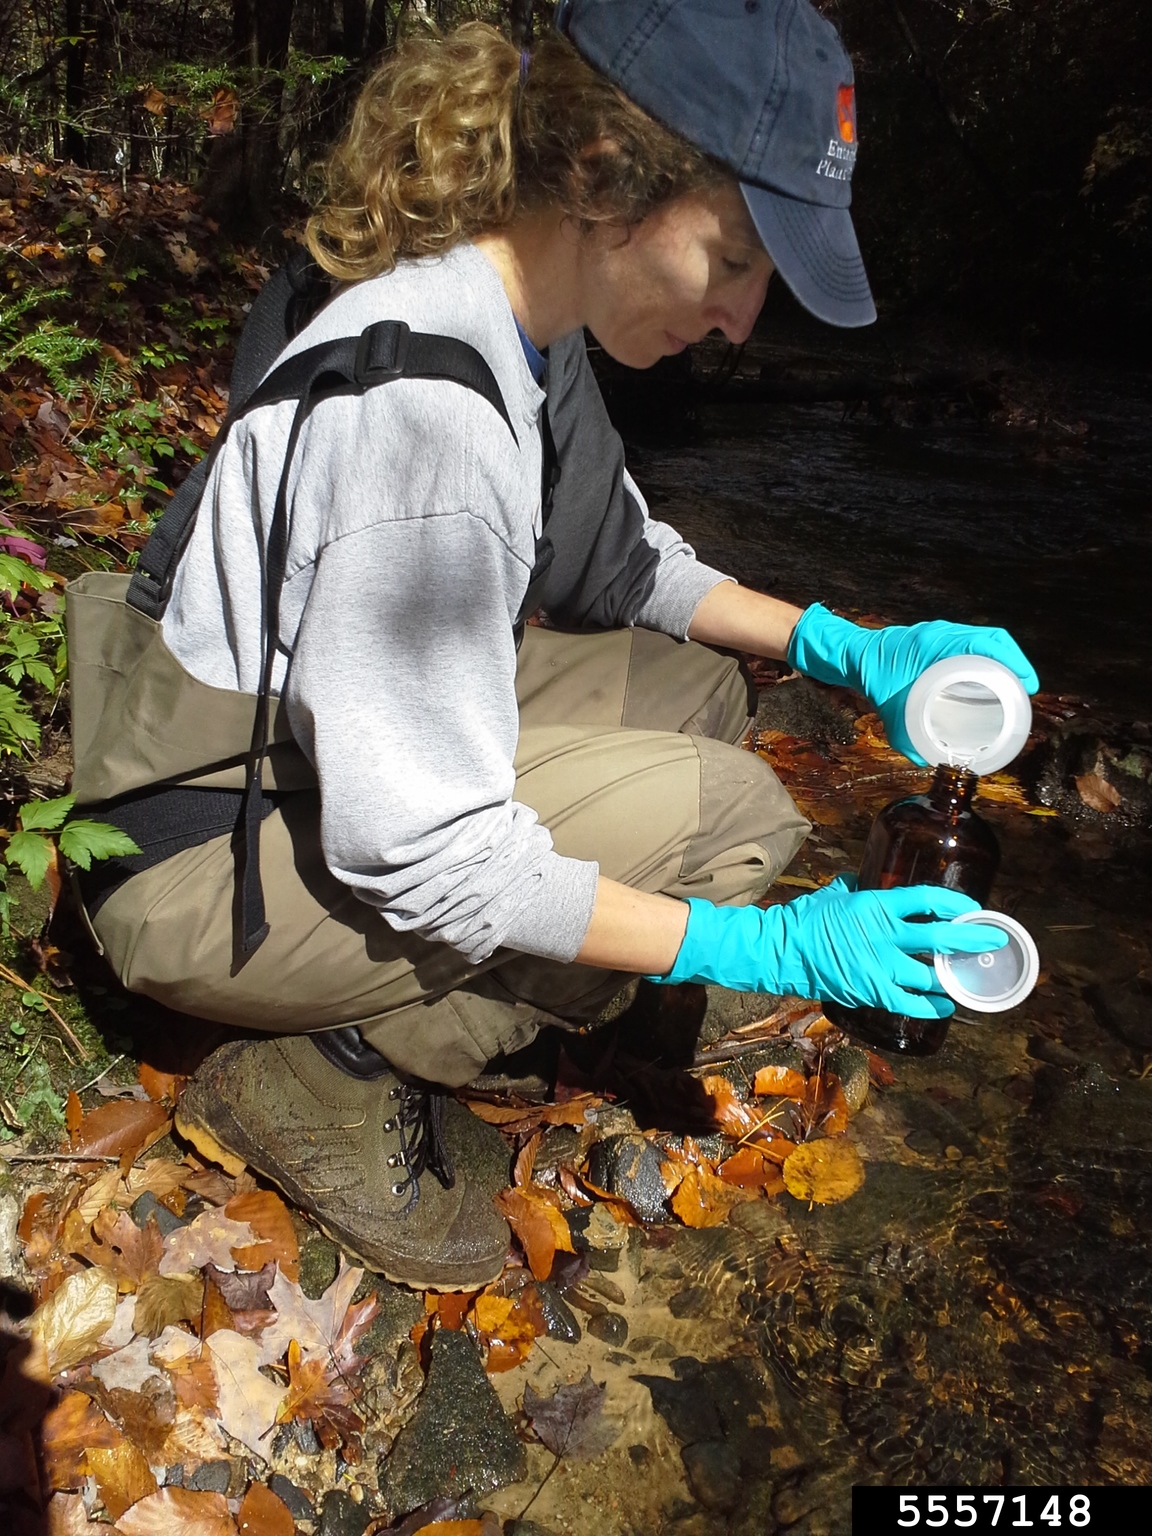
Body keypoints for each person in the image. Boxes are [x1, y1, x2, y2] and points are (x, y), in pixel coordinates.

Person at [68, 0, 1037, 1291]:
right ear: (602, 178)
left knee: (697, 691)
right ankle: (327, 1059)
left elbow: (628, 556)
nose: (747, 322)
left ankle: (452, 990)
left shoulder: (519, 314)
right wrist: (764, 946)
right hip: (193, 856)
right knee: (739, 817)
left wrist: (848, 647)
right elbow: (440, 869)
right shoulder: (430, 421)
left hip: (268, 748)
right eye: (738, 257)